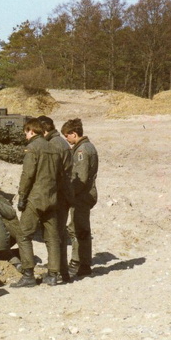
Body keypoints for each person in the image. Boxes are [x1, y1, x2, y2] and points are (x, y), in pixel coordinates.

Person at [13, 118, 66, 287]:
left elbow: (28, 175)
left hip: (35, 198)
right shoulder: (54, 148)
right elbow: (60, 176)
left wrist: (22, 196)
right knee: (52, 236)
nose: (25, 136)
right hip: (52, 198)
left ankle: (28, 274)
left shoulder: (32, 148)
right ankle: (53, 274)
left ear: (32, 131)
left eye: (26, 132)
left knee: (23, 234)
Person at [61, 118, 99, 278]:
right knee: (77, 228)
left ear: (73, 134)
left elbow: (81, 178)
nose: (67, 140)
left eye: (67, 136)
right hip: (86, 194)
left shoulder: (82, 151)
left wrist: (69, 194)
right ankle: (82, 262)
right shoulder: (88, 147)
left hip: (82, 196)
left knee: (79, 229)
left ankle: (80, 263)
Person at [40, 115, 74, 283]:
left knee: (54, 235)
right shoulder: (61, 142)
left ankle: (59, 272)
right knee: (58, 234)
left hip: (58, 195)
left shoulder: (52, 145)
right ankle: (62, 271)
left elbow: (51, 174)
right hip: (64, 194)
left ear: (45, 130)